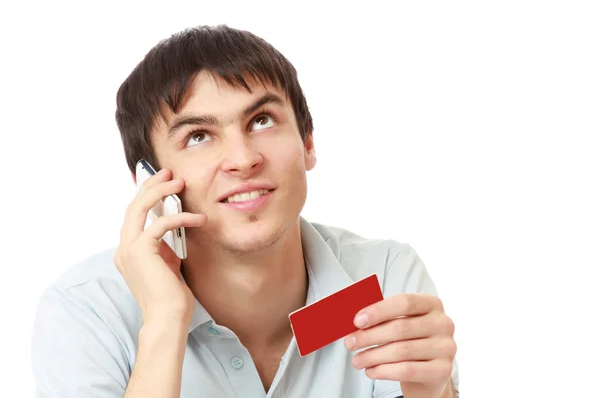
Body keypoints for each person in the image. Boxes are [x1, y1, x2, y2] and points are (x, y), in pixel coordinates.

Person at [31, 25, 459, 398]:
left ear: (307, 143)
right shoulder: (87, 311)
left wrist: (433, 394)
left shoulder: (381, 278)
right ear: (150, 180)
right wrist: (164, 322)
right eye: (198, 136)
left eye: (262, 121)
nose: (242, 158)